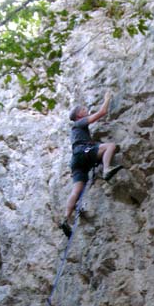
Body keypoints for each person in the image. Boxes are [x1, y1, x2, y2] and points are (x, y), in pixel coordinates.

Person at [60, 92, 123, 237]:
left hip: (76, 161)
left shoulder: (76, 130)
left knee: (76, 191)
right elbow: (102, 112)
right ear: (78, 116)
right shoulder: (79, 123)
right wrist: (107, 99)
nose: (85, 110)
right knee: (110, 146)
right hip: (84, 152)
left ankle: (66, 219)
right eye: (83, 110)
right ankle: (107, 170)